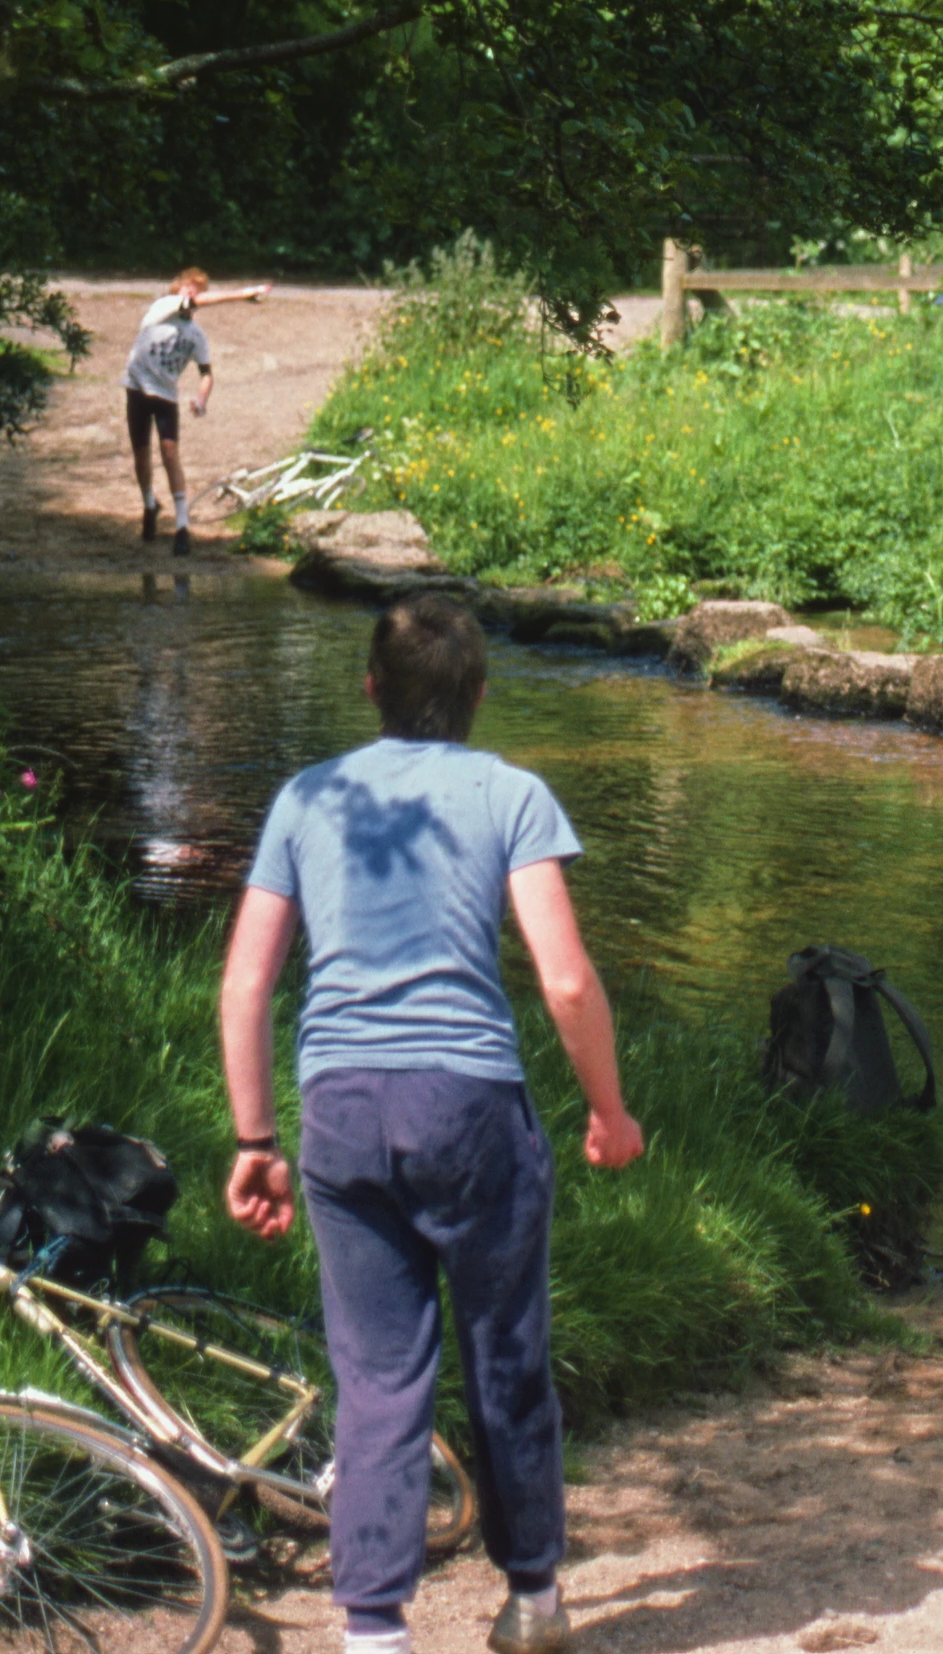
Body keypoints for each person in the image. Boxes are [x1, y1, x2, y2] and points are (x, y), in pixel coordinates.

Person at [218, 593, 643, 1654]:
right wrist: (608, 1110)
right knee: (505, 1351)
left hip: (341, 1113)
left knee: (375, 1379)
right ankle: (534, 1598)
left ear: (371, 689)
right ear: (479, 696)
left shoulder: (307, 798)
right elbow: (564, 978)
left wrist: (255, 1141)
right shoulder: (511, 792)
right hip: (470, 1111)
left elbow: (244, 984)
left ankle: (372, 1631)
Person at [126, 267, 269, 556]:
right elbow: (194, 303)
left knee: (169, 454)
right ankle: (149, 505)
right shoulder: (162, 308)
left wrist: (202, 399)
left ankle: (181, 526)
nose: (191, 293)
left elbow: (207, 373)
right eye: (187, 288)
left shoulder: (196, 335)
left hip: (166, 395)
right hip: (137, 388)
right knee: (141, 455)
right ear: (177, 290)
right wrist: (243, 294)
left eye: (197, 289)